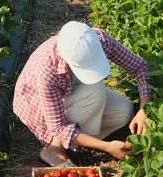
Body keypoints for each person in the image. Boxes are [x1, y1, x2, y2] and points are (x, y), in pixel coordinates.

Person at [13, 21, 153, 167]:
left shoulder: (99, 40)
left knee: (124, 111)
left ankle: (77, 140)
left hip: (77, 93)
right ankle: (55, 149)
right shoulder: (48, 68)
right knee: (95, 91)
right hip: (36, 104)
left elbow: (141, 67)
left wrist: (144, 109)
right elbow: (57, 127)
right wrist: (106, 147)